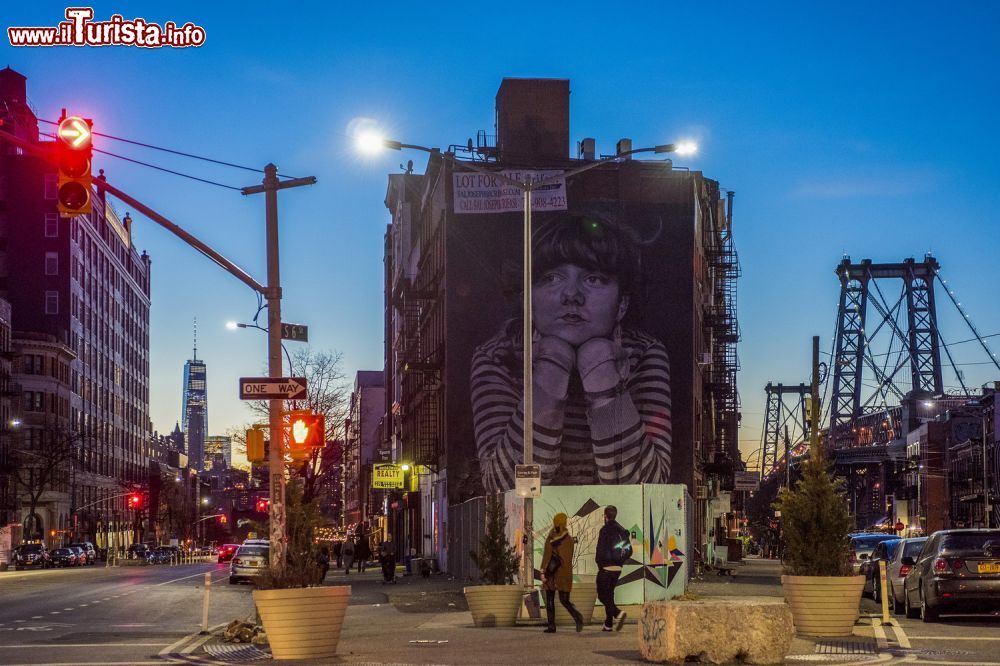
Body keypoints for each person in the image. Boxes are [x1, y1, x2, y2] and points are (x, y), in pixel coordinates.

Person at [471, 213, 672, 493]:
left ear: (622, 304)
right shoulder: (498, 358)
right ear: (527, 299)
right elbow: (506, 487)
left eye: (594, 279)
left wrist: (600, 370)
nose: (571, 295)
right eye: (552, 278)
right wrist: (550, 371)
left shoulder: (645, 353)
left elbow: (648, 489)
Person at [540, 512, 584, 633]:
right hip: (565, 573)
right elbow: (567, 558)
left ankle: (551, 626)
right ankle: (577, 616)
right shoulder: (569, 539)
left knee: (550, 598)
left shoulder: (552, 538)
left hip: (552, 574)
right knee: (564, 599)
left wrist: (543, 571)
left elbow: (547, 556)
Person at [596, 504, 630, 632]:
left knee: (602, 596)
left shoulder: (605, 530)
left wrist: (600, 563)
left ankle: (617, 613)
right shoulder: (622, 530)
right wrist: (620, 561)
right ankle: (608, 624)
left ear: (605, 516)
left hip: (606, 568)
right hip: (618, 569)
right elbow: (628, 550)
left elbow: (600, 550)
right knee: (609, 595)